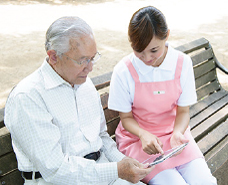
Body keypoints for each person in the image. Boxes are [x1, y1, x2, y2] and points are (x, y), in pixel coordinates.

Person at [4, 16, 153, 185]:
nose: (90, 67)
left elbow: (101, 137)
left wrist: (127, 164)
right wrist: (117, 170)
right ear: (53, 56)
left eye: (93, 58)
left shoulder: (84, 82)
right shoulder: (28, 97)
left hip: (102, 172)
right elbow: (56, 170)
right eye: (82, 60)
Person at [108, 6, 217, 185]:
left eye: (153, 50)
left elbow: (183, 112)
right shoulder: (123, 70)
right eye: (139, 51)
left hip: (174, 137)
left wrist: (177, 132)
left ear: (167, 36)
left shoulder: (182, 63)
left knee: (206, 182)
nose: (146, 58)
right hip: (138, 141)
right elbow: (126, 118)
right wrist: (143, 135)